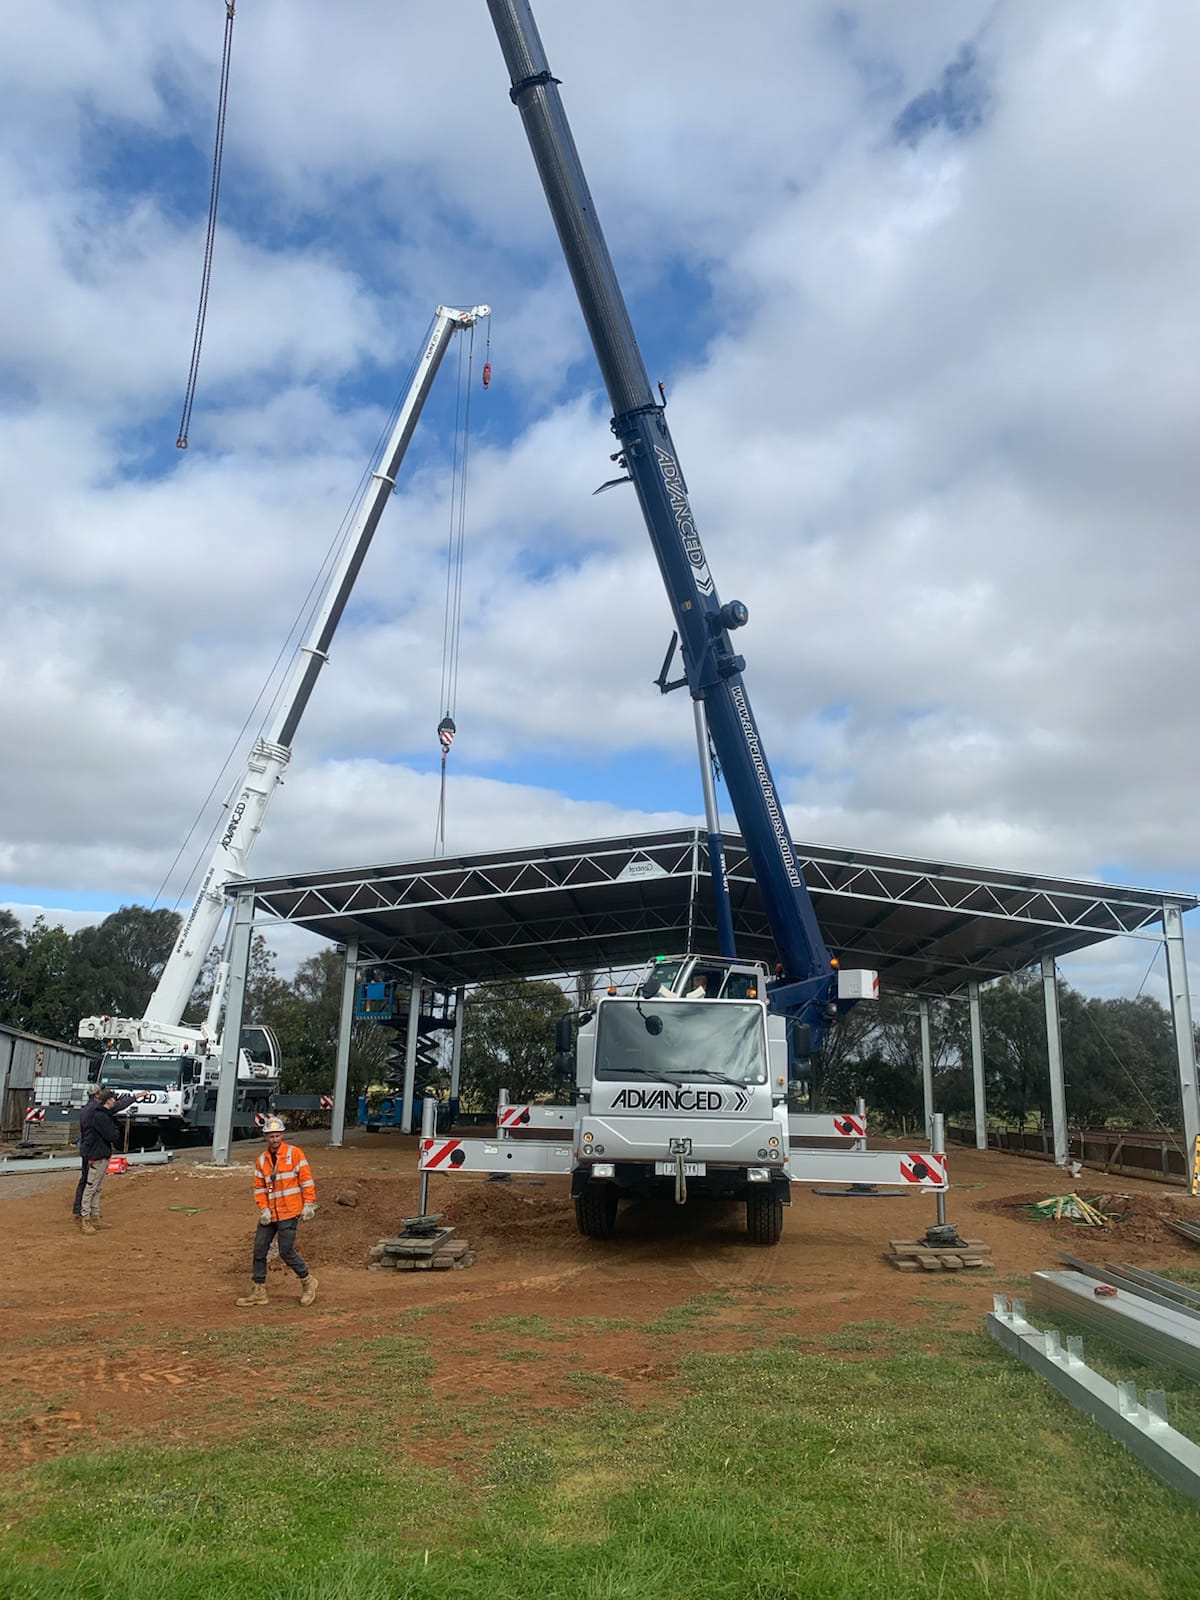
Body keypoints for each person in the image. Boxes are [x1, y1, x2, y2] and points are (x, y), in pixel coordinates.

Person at [236, 1116, 318, 1308]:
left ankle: (308, 1281)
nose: (274, 1139)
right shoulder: (262, 1160)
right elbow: (259, 1187)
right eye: (271, 1136)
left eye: (277, 1135)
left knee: (286, 1251)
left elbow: (306, 1180)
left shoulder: (295, 1154)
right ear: (265, 1137)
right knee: (259, 1250)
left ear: (282, 1135)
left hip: (289, 1211)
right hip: (270, 1213)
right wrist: (263, 1208)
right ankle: (258, 1291)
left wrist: (309, 1204)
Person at [78, 1089, 141, 1234]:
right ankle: (86, 1219)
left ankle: (94, 1217)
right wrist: (116, 1130)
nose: (115, 1101)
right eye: (113, 1099)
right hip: (97, 1154)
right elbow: (111, 1135)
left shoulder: (100, 1114)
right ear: (108, 1101)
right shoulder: (101, 1116)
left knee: (97, 1187)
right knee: (91, 1187)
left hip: (99, 1153)